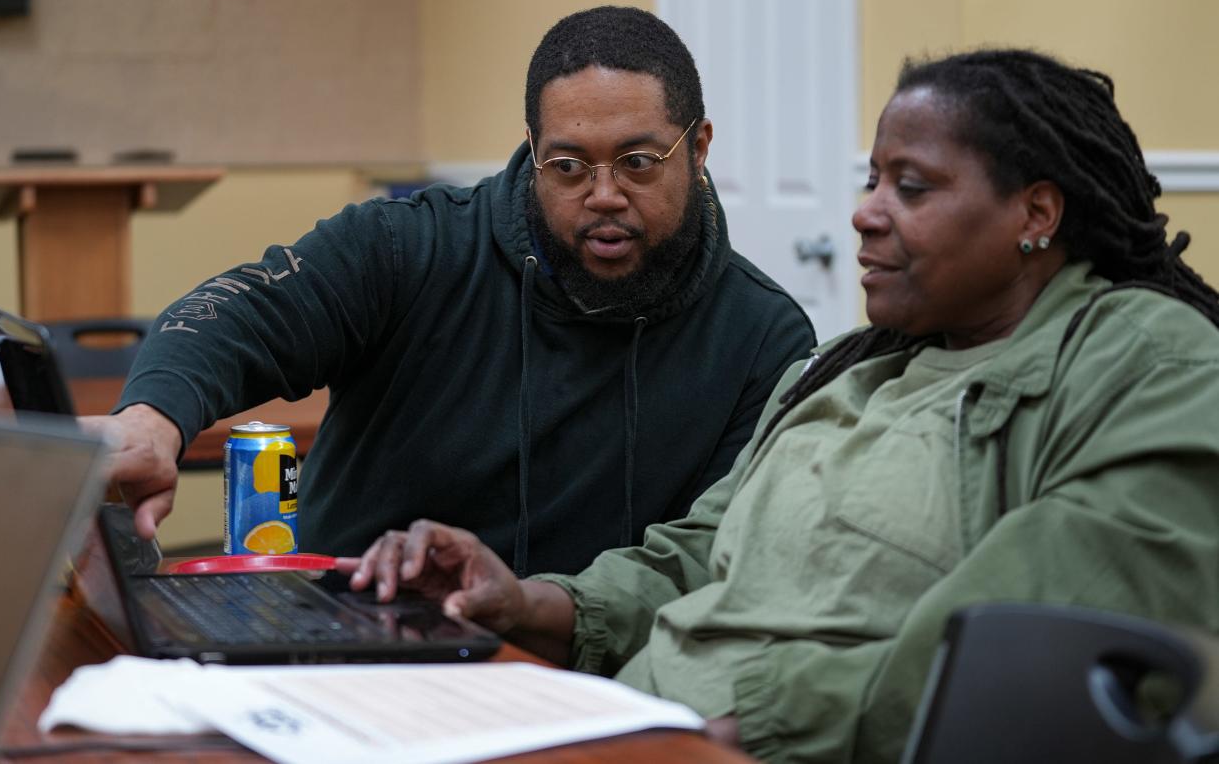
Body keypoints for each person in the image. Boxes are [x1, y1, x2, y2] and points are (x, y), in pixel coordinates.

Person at [339, 48, 1219, 762]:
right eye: (872, 180)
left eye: (909, 187)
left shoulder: (1146, 360)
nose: (864, 216)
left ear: (1035, 212)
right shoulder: (845, 367)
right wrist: (528, 600)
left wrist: (748, 723)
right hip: (632, 726)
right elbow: (697, 558)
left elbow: (1029, 646)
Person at [83, 5, 815, 576]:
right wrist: (152, 421)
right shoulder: (408, 248)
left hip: (596, 685)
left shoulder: (762, 340)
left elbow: (705, 567)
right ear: (532, 152)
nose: (603, 195)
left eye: (637, 161)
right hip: (353, 648)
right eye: (566, 166)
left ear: (699, 145)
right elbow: (240, 314)